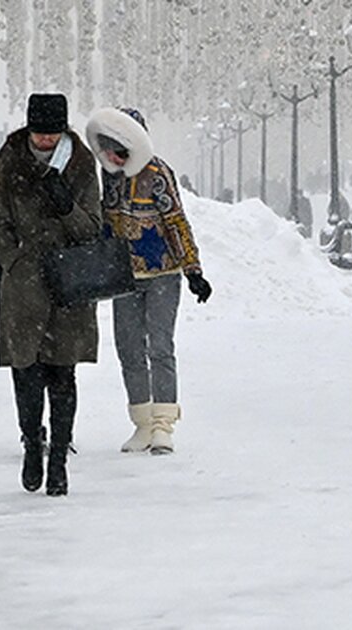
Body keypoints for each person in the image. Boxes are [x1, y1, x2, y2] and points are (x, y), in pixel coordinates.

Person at [0, 93, 102, 497]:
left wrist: (66, 206)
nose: (45, 142)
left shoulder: (82, 163)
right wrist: (11, 257)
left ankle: (59, 460)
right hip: (23, 283)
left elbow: (92, 227)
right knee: (26, 371)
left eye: (52, 135)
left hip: (67, 281)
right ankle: (32, 445)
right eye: (39, 134)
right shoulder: (8, 161)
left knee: (62, 372)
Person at [86, 107, 211, 457]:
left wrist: (193, 269)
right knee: (128, 348)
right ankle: (141, 420)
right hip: (123, 275)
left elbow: (176, 220)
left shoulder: (157, 173)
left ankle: (163, 424)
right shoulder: (109, 175)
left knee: (159, 346)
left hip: (161, 273)